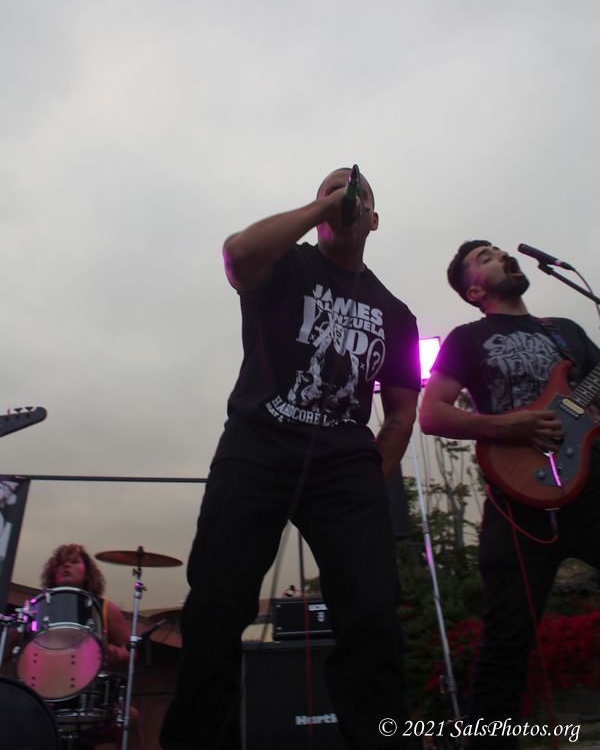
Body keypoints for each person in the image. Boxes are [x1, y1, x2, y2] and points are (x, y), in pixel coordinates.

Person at [160, 168, 421, 750]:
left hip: (344, 464)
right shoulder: (286, 265)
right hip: (257, 448)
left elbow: (401, 415)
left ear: (375, 221)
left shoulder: (395, 312)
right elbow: (237, 255)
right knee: (216, 607)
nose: (346, 199)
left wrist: (366, 484)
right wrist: (322, 208)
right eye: (333, 190)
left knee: (372, 615)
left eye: (357, 195)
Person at [419, 240, 600, 746]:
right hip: (518, 498)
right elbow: (432, 414)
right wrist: (511, 426)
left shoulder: (566, 331)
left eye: (500, 250)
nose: (501, 254)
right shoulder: (468, 338)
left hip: (591, 488)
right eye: (486, 256)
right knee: (505, 646)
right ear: (473, 290)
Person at [35, 543, 145, 749]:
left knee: (131, 719)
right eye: (61, 563)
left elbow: (130, 652)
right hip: (45, 694)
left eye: (74, 561)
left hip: (94, 698)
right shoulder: (38, 607)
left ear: (87, 571)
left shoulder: (105, 608)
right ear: (52, 572)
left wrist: (110, 652)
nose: (66, 565)